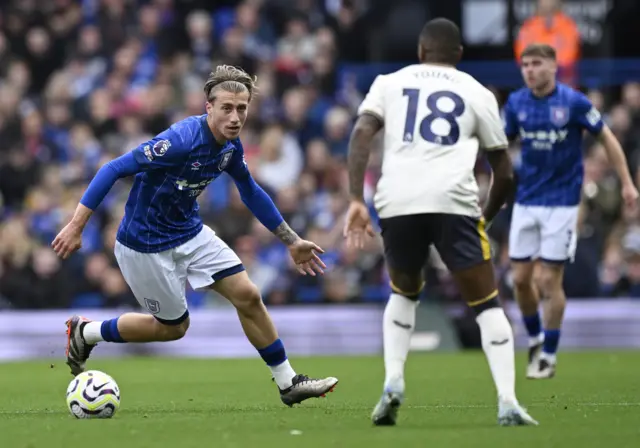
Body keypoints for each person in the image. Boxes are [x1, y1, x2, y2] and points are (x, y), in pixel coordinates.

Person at [52, 65, 338, 407]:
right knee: (173, 328)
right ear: (208, 108)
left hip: (190, 232)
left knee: (248, 295)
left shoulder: (230, 147)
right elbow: (112, 168)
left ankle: (288, 382)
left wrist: (291, 241)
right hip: (144, 245)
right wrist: (76, 224)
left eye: (242, 109)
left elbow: (250, 191)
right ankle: (87, 333)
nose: (235, 117)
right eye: (227, 109)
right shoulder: (179, 141)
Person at [344, 18, 537, 427]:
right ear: (459, 56)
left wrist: (354, 199)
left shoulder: (389, 82)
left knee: (404, 292)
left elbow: (362, 133)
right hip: (454, 201)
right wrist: (486, 215)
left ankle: (393, 380)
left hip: (397, 200)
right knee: (486, 304)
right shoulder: (477, 92)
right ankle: (507, 400)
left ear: (420, 52)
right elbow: (503, 170)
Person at [503, 43, 638, 379]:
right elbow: (499, 146)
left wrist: (626, 182)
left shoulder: (573, 102)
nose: (530, 70)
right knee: (520, 279)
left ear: (553, 65)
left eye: (536, 64)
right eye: (525, 65)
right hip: (526, 201)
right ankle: (534, 336)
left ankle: (548, 353)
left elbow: (607, 138)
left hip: (562, 204)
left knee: (549, 280)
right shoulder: (516, 103)